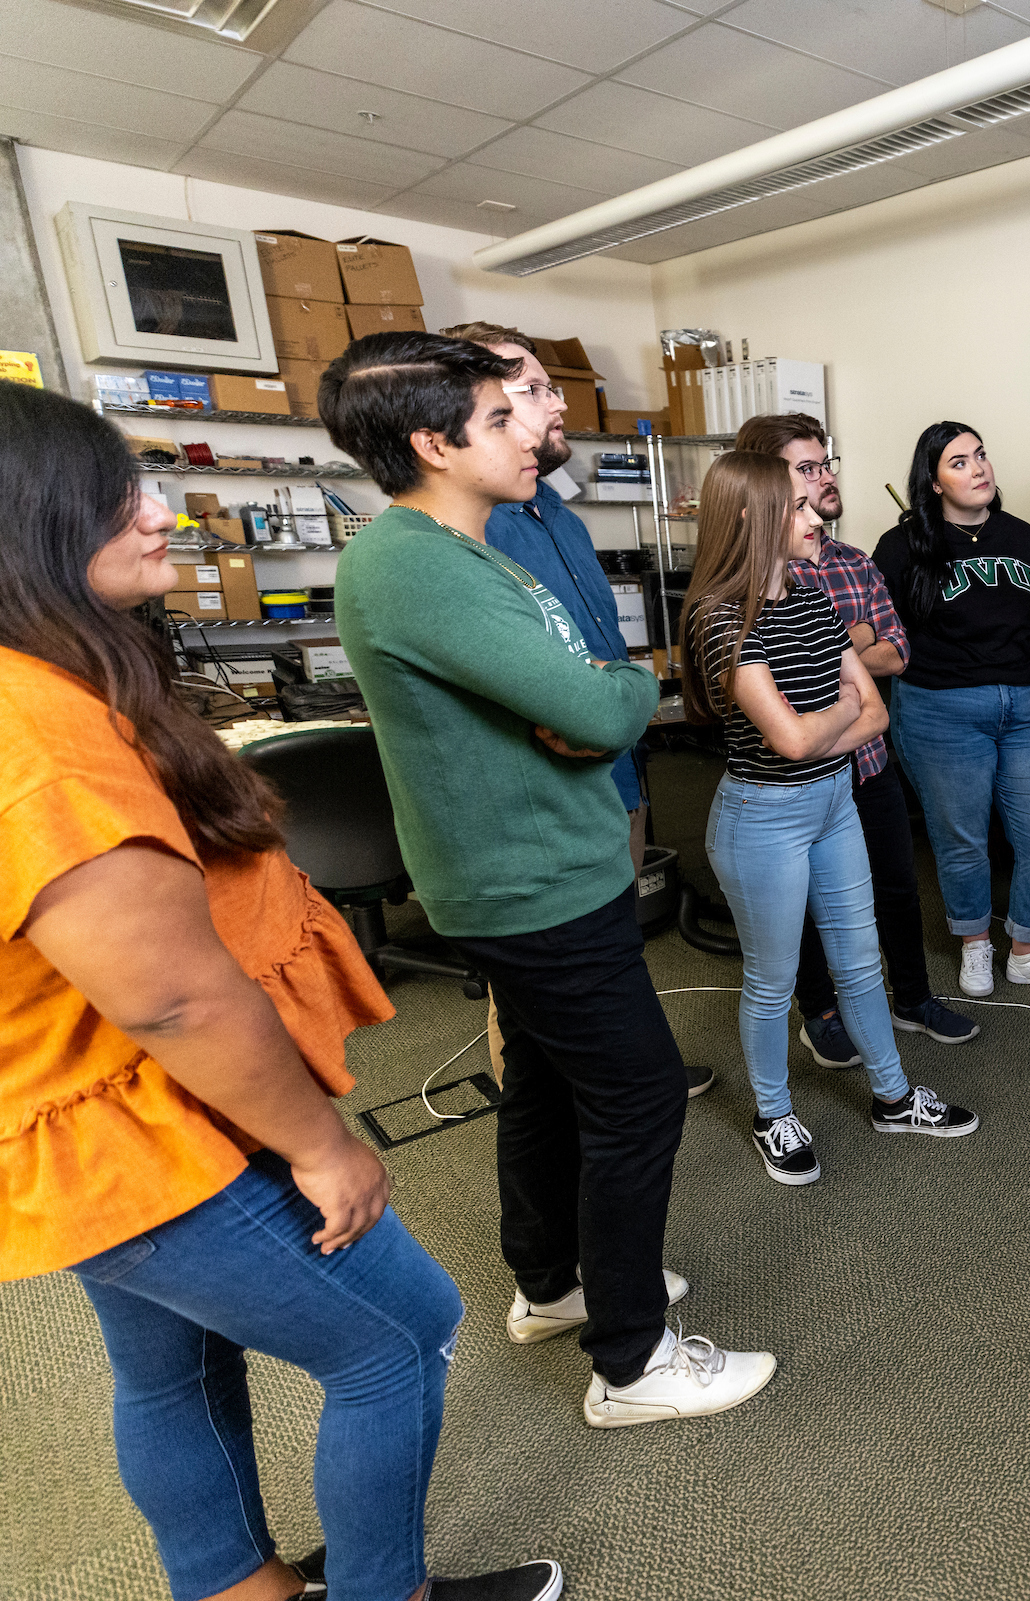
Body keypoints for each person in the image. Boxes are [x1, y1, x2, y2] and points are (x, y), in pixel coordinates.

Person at [0, 382, 561, 1601]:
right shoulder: (34, 731)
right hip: (145, 1127)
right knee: (398, 1331)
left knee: (169, 1368)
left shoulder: (45, 683)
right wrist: (320, 1144)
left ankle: (240, 1588)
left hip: (89, 1123)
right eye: (118, 496)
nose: (160, 517)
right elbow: (173, 1000)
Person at [326, 331, 775, 1427]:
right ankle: (633, 1360)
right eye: (501, 416)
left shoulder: (469, 549)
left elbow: (576, 691)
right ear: (434, 442)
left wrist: (588, 689)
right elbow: (599, 703)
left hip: (531, 873)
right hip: (529, 885)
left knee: (543, 1085)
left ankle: (553, 1283)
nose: (535, 428)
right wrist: (613, 684)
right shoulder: (416, 562)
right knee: (634, 1100)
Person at [685, 452, 978, 1183]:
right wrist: (840, 710)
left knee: (858, 962)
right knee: (772, 979)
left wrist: (831, 718)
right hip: (763, 820)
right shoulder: (720, 619)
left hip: (833, 803)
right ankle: (773, 1114)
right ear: (751, 517)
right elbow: (787, 740)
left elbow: (875, 715)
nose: (818, 516)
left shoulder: (815, 601)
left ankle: (894, 1095)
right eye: (798, 506)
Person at [441, 320, 713, 1100]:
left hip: (614, 765)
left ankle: (626, 1071)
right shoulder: (471, 532)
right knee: (531, 985)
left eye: (553, 386)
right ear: (476, 406)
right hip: (549, 784)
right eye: (531, 390)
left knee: (614, 943)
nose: (557, 404)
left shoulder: (555, 513)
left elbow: (599, 651)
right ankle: (550, 1107)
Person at [730, 413, 979, 1063]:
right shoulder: (751, 581)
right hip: (797, 784)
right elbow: (787, 693)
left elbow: (894, 654)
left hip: (866, 766)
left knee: (896, 885)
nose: (827, 477)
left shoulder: (853, 562)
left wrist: (836, 666)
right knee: (809, 907)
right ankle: (820, 1013)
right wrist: (847, 652)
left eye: (826, 462)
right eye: (808, 468)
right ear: (767, 483)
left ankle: (914, 998)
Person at [875, 422, 1030, 1000]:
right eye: (960, 462)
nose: (979, 469)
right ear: (935, 481)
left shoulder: (1023, 537)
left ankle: (1028, 951)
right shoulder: (903, 546)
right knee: (962, 840)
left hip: (1024, 708)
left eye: (981, 456)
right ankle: (975, 945)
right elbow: (882, 632)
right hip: (939, 710)